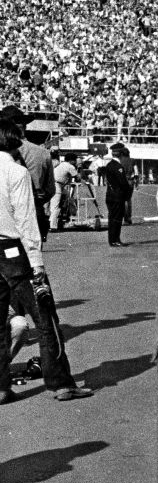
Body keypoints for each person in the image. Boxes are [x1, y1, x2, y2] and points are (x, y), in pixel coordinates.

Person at [0, 109, 88, 401]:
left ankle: (1, 386)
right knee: (45, 318)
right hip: (15, 251)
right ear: (15, 141)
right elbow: (26, 222)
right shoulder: (17, 171)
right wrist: (37, 265)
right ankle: (61, 382)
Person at [0, 106, 55, 240]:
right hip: (34, 210)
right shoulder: (42, 153)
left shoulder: (3, 151)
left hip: (5, 213)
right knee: (32, 254)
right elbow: (50, 189)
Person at [100, 142, 132, 247]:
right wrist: (128, 194)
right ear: (121, 153)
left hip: (110, 195)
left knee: (112, 218)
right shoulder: (118, 167)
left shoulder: (110, 165)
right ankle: (115, 240)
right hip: (117, 197)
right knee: (117, 219)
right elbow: (123, 183)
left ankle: (112, 240)